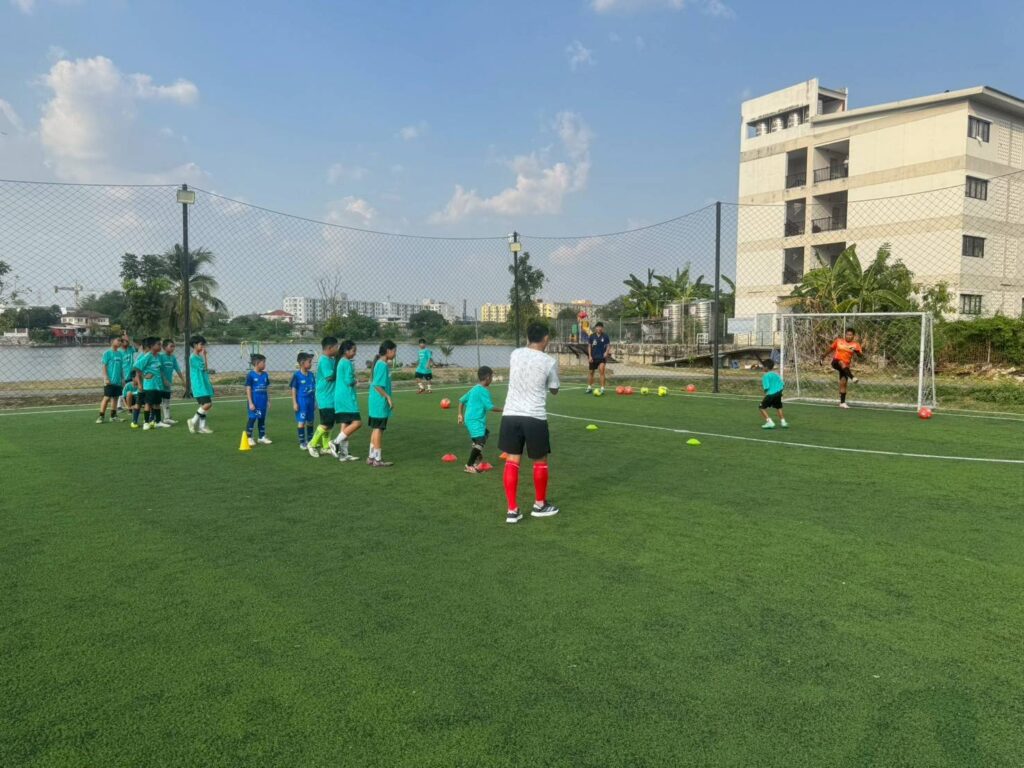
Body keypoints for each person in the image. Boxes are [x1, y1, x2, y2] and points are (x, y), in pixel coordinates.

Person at [498, 322, 560, 524]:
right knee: (540, 461)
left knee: (512, 460)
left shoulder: (515, 354)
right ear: (546, 339)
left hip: (510, 415)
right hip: (534, 416)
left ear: (527, 338)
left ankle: (512, 510)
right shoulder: (549, 361)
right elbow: (554, 389)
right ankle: (539, 505)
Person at [458, 365, 502, 474]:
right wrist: (504, 409)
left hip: (470, 419)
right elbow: (490, 407)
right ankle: (469, 465)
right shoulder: (483, 391)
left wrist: (460, 414)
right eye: (492, 377)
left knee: (485, 433)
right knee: (481, 441)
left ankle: (476, 449)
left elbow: (461, 400)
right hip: (475, 420)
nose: (492, 379)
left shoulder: (475, 388)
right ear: (487, 377)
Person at [330, 340, 362, 462]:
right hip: (347, 397)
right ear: (346, 351)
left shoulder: (340, 362)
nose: (355, 353)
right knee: (357, 423)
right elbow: (349, 381)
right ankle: (335, 442)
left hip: (340, 397)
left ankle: (344, 454)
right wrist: (356, 381)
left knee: (345, 425)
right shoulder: (347, 362)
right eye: (353, 351)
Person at [309, 336, 340, 458]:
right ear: (329, 348)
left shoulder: (331, 359)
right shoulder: (324, 360)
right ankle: (312, 444)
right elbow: (330, 377)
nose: (338, 349)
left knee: (330, 423)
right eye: (336, 347)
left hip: (331, 396)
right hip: (325, 397)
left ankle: (325, 447)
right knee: (326, 423)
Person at [367, 340, 397, 467]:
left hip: (376, 402)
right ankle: (377, 460)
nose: (395, 353)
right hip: (379, 403)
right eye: (394, 351)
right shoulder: (382, 365)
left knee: (376, 429)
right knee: (379, 429)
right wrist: (388, 397)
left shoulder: (380, 364)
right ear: (388, 351)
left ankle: (371, 457)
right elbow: (377, 385)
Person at [134, 337, 169, 430]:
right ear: (152, 346)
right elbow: (136, 367)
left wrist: (164, 380)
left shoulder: (156, 356)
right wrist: (145, 376)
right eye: (158, 344)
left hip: (158, 385)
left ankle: (158, 422)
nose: (160, 346)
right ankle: (146, 423)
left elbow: (158, 370)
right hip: (150, 385)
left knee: (157, 403)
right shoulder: (148, 356)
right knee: (148, 403)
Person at [827, 327, 863, 409]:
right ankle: (852, 377)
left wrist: (856, 351)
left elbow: (861, 355)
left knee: (843, 382)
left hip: (845, 367)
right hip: (836, 362)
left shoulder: (855, 345)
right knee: (841, 362)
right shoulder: (839, 341)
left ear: (853, 336)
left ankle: (842, 403)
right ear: (845, 335)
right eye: (847, 334)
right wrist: (823, 356)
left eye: (850, 335)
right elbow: (830, 348)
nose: (848, 336)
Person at [187, 336, 215, 434]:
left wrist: (204, 356)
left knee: (205, 406)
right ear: (195, 345)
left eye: (203, 344)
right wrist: (205, 356)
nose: (203, 346)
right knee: (208, 404)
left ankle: (202, 427)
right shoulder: (193, 357)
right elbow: (205, 369)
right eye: (201, 344)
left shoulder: (198, 357)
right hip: (199, 385)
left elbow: (204, 370)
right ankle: (193, 421)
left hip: (203, 384)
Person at [290, 352, 317, 449]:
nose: (311, 364)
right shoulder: (297, 375)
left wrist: (315, 402)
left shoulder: (311, 375)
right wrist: (295, 403)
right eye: (309, 362)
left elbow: (314, 389)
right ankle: (302, 442)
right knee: (301, 421)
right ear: (302, 363)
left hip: (311, 401)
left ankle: (310, 440)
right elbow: (293, 389)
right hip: (302, 402)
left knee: (310, 421)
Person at [245, 354, 272, 446]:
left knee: (261, 419)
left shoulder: (265, 375)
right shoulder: (251, 375)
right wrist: (250, 403)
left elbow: (266, 388)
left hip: (262, 402)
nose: (265, 364)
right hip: (255, 402)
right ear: (257, 363)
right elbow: (248, 389)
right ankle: (249, 438)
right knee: (252, 418)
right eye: (263, 362)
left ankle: (261, 437)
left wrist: (268, 400)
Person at [159, 339, 185, 425]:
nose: (173, 348)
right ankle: (155, 419)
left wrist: (183, 380)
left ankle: (167, 418)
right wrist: (164, 380)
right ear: (164, 347)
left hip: (168, 384)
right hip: (159, 383)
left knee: (166, 400)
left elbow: (177, 369)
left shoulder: (173, 357)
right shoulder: (160, 356)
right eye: (171, 346)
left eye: (174, 346)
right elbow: (159, 369)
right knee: (157, 402)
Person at [97, 336, 123, 423]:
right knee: (107, 397)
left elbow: (121, 367)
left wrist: (122, 379)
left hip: (118, 381)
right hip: (110, 380)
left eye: (121, 341)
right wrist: (106, 378)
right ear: (112, 341)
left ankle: (113, 416)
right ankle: (101, 416)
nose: (120, 342)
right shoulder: (107, 353)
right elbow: (104, 366)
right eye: (118, 340)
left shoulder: (120, 354)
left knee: (115, 398)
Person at [758, 359, 788, 429]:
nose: (762, 368)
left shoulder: (766, 376)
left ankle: (769, 422)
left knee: (761, 407)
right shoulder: (776, 374)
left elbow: (766, 388)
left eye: (763, 366)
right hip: (778, 393)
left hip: (771, 394)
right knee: (778, 407)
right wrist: (779, 392)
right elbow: (782, 384)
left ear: (766, 367)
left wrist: (765, 396)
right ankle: (783, 422)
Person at [586, 321, 612, 394]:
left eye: (600, 327)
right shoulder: (592, 336)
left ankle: (602, 388)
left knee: (602, 371)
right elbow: (589, 346)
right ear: (595, 328)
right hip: (593, 357)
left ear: (602, 328)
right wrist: (590, 356)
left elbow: (608, 345)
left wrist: (606, 352)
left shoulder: (605, 336)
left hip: (601, 358)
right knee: (591, 372)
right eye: (597, 327)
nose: (599, 328)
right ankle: (589, 387)